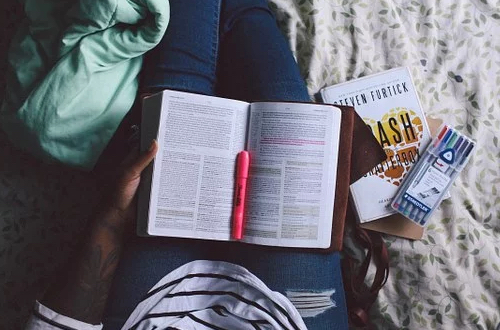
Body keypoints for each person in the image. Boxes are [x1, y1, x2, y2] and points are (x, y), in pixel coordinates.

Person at [25, 0, 348, 329]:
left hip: (151, 312)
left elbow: (60, 322)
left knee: (177, 93)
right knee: (279, 102)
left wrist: (114, 212)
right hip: (288, 317)